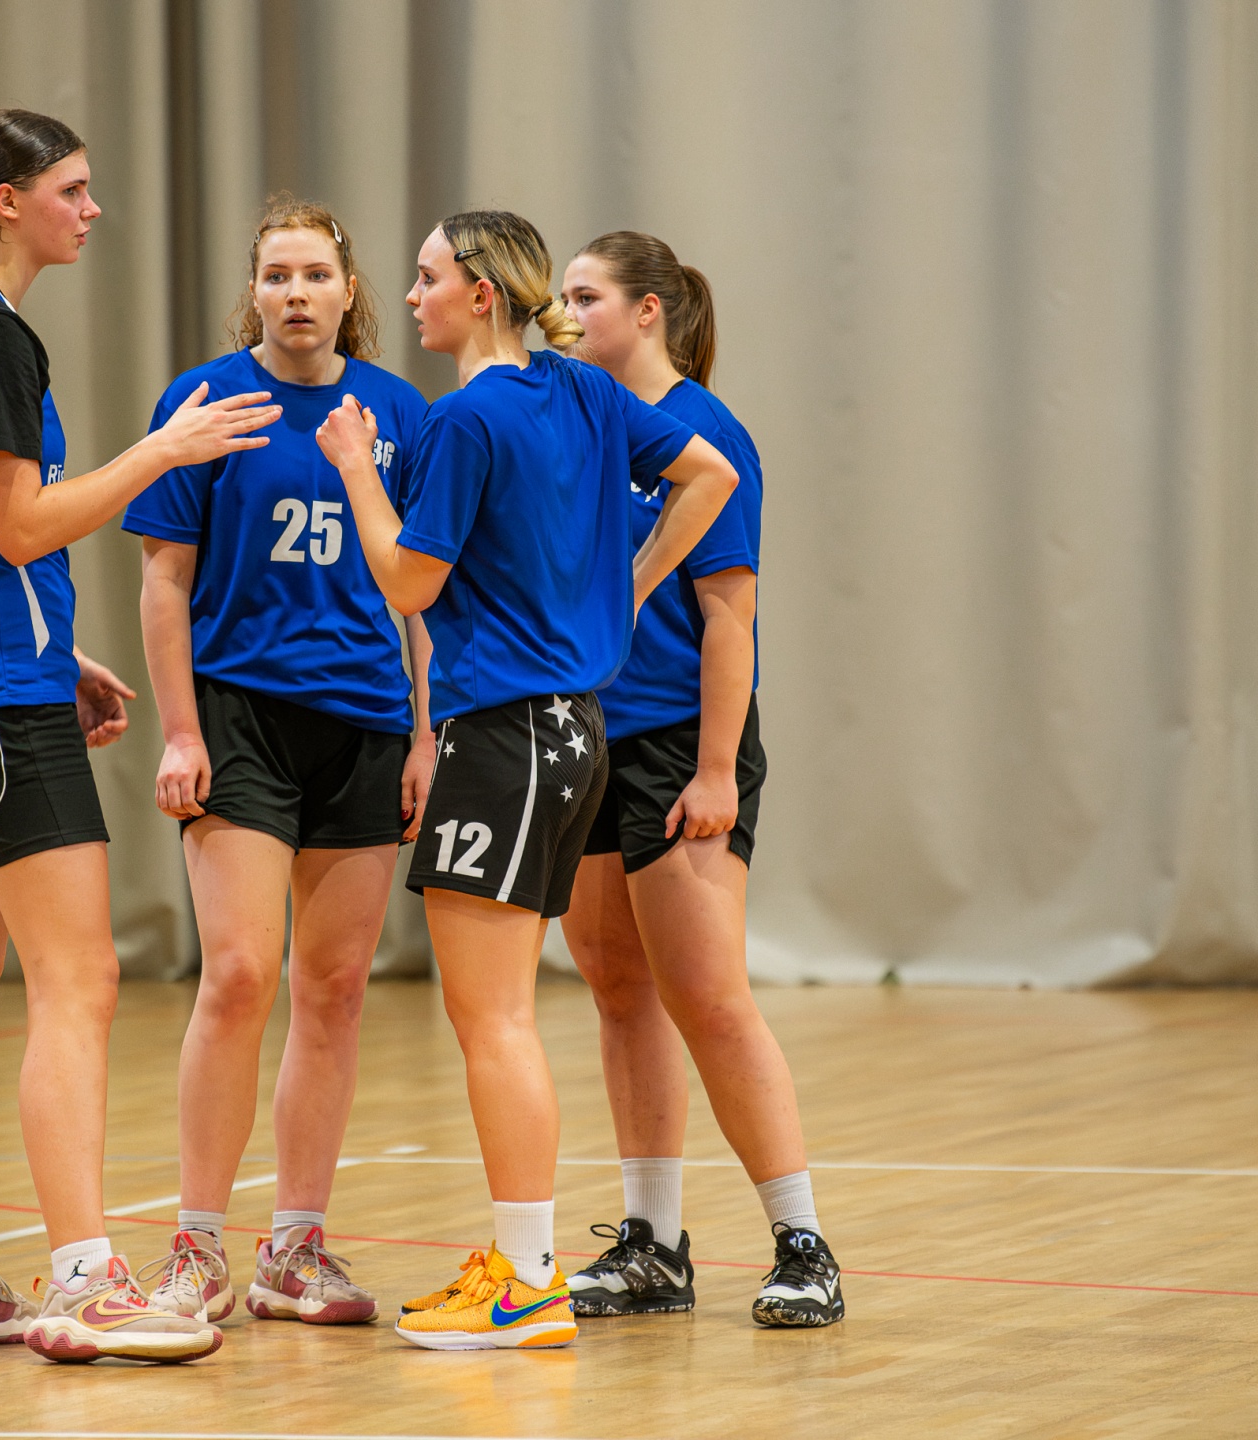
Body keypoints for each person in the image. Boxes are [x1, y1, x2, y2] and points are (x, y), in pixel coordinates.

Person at [0, 109, 280, 1364]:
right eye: (74, 188)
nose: (93, 209)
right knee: (79, 978)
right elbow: (18, 525)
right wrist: (163, 449)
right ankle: (87, 1277)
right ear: (6, 200)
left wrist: (63, 654)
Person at [315, 210, 739, 1350]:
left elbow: (408, 583)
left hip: (503, 735)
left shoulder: (467, 418)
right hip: (575, 730)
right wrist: (629, 582)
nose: (411, 296)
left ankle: (528, 1278)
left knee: (492, 1017)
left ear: (482, 294)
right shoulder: (588, 391)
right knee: (504, 1012)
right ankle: (526, 1265)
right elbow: (707, 472)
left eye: (427, 277)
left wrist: (355, 469)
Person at [123, 198, 432, 1328]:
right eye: (276, 275)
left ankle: (294, 1250)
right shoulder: (206, 402)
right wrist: (182, 730)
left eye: (314, 274)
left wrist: (426, 732)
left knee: (335, 990)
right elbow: (164, 580)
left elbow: (422, 591)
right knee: (242, 974)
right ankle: (196, 1246)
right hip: (240, 714)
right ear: (251, 291)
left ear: (350, 291)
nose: (295, 293)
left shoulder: (400, 413)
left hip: (366, 722)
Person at [554, 232, 842, 1328]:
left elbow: (730, 616)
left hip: (680, 743)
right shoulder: (582, 426)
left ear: (649, 312)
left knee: (709, 997)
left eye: (586, 296)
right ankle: (653, 1244)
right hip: (589, 734)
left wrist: (717, 769)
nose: (566, 313)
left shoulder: (705, 433)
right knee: (617, 988)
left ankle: (803, 1244)